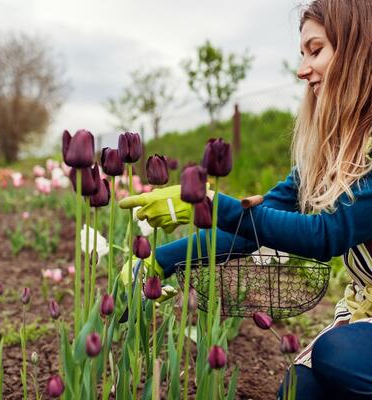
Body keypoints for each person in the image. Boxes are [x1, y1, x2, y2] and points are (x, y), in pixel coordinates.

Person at [119, 1, 372, 398]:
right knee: (299, 388)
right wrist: (158, 261)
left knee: (334, 353)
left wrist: (215, 204)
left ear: (359, 48)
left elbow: (330, 234)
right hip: (366, 315)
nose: (302, 69)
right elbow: (250, 228)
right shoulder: (331, 154)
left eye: (316, 50)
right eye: (302, 54)